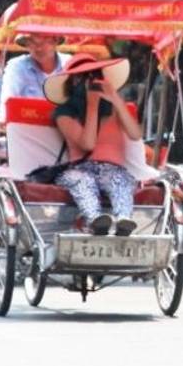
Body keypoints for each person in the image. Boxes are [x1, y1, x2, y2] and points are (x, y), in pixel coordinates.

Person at [45, 54, 144, 236]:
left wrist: (114, 98)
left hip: (113, 169)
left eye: (94, 76)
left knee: (119, 180)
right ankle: (96, 221)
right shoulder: (64, 113)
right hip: (80, 169)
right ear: (72, 83)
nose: (88, 83)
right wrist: (92, 106)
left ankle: (123, 220)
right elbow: (88, 144)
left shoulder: (115, 109)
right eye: (82, 78)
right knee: (82, 181)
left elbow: (135, 134)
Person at [0, 35, 70, 119]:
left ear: (56, 41)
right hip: (28, 126)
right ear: (26, 44)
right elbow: (6, 101)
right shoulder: (17, 66)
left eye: (44, 42)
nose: (38, 48)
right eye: (32, 42)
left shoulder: (69, 64)